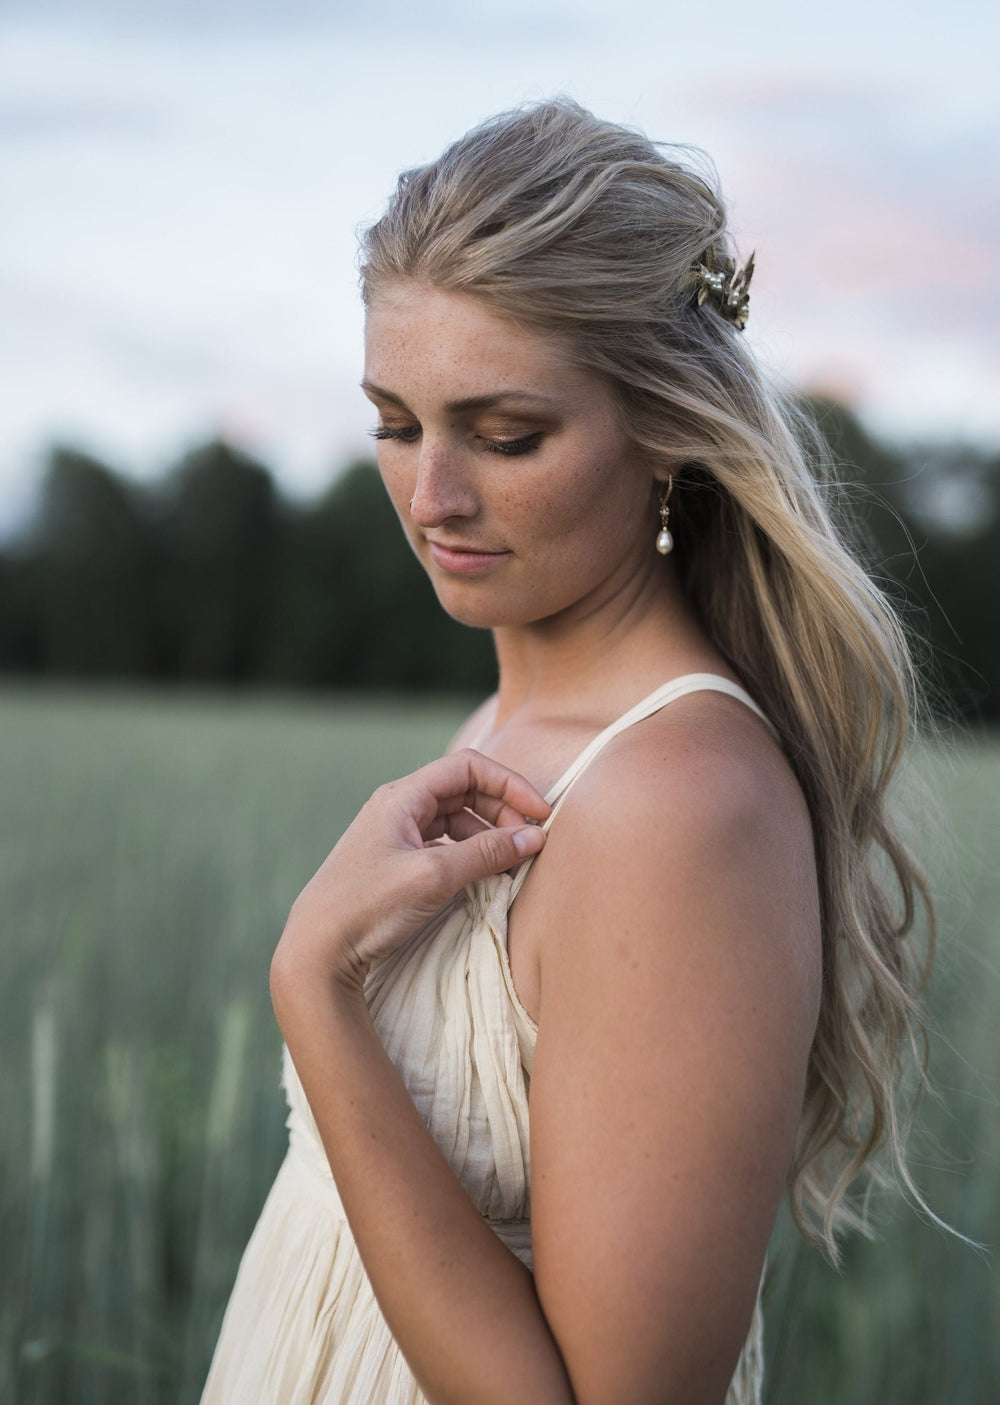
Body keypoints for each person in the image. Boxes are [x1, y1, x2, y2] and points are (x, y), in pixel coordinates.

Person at [200, 97, 935, 1405]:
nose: (432, 498)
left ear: (665, 431)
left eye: (506, 435)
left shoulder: (678, 805)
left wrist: (314, 987)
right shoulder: (504, 726)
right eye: (395, 422)